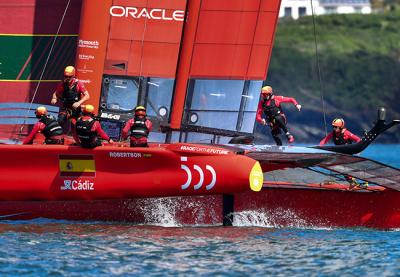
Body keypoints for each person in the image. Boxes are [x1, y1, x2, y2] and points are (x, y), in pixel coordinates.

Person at [51, 66, 90, 136]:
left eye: (69, 76)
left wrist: (79, 102)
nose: (67, 78)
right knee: (60, 121)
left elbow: (87, 96)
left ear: (73, 75)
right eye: (66, 76)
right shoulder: (62, 83)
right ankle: (58, 138)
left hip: (76, 109)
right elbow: (55, 93)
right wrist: (54, 98)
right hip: (66, 108)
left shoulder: (78, 84)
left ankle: (79, 140)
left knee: (80, 126)